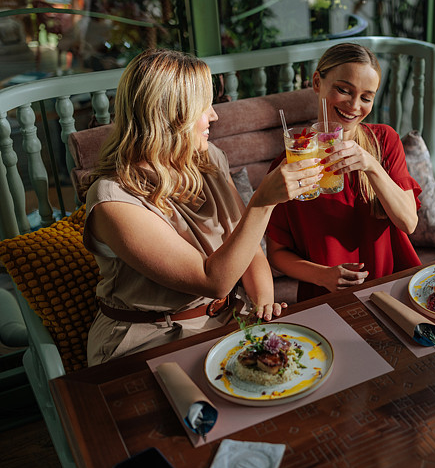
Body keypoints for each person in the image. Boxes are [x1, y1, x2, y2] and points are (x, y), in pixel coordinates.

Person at [83, 49, 323, 365]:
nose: (214, 115)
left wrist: (263, 308)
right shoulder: (113, 200)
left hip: (226, 320)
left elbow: (249, 249)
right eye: (203, 106)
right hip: (150, 338)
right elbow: (213, 281)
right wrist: (263, 202)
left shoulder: (208, 157)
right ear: (168, 115)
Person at [266, 43, 421, 301]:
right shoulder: (290, 165)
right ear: (317, 82)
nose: (354, 105)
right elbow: (277, 253)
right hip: (327, 298)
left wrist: (370, 165)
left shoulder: (385, 141)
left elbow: (408, 223)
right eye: (343, 90)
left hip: (392, 290)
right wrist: (322, 276)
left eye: (366, 98)